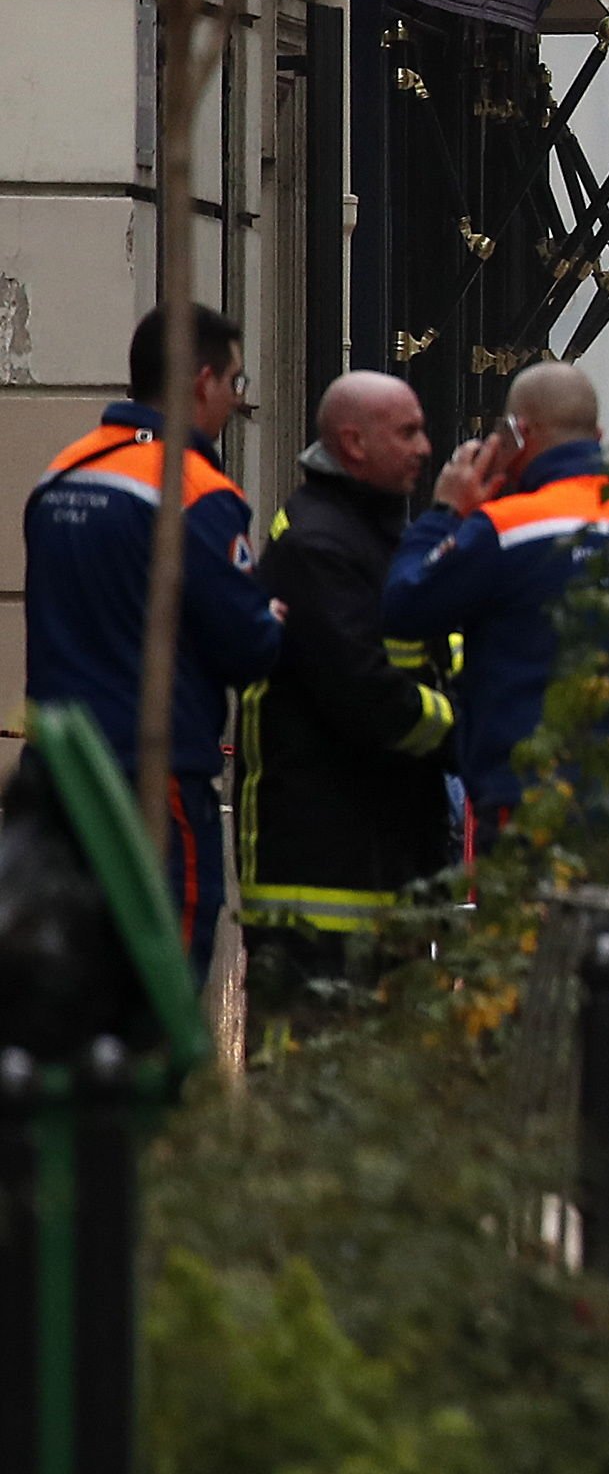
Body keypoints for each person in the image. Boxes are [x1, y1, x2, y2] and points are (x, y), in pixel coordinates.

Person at [24, 304, 283, 971]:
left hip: (59, 773)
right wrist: (273, 620)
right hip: (154, 778)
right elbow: (247, 645)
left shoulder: (62, 477)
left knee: (68, 972)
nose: (235, 400)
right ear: (201, 381)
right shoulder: (195, 492)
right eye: (234, 382)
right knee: (165, 974)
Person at [379, 361, 609, 843]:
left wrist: (445, 512)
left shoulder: (504, 530)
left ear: (518, 433)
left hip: (529, 796)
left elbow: (404, 604)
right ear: (598, 435)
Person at [237, 371, 461, 1003]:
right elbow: (364, 694)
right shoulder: (318, 544)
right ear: (353, 443)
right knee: (307, 1074)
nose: (426, 447)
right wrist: (471, 732)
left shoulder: (375, 538)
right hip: (322, 883)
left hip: (382, 862)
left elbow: (429, 658)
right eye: (408, 432)